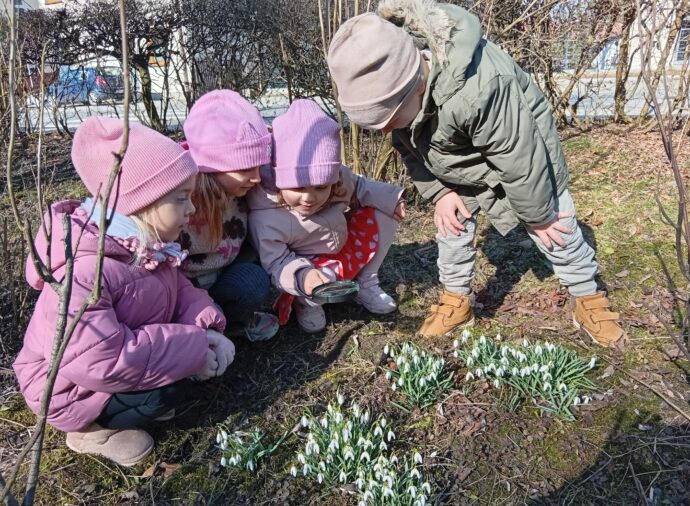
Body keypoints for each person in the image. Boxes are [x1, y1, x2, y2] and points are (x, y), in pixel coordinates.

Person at [326, 0, 626, 347]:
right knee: (451, 227)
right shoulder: (402, 104)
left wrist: (538, 215)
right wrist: (440, 193)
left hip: (527, 156)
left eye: (389, 122)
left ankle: (587, 296)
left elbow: (519, 156)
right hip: (457, 161)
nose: (386, 131)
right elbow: (410, 150)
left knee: (556, 226)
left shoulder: (481, 86)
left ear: (417, 85)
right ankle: (457, 299)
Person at [13, 117, 235, 467]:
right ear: (140, 203)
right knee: (169, 389)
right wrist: (193, 347)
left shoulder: (144, 247)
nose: (192, 209)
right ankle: (89, 432)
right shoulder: (85, 273)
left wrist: (206, 326)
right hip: (70, 390)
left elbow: (180, 290)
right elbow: (102, 361)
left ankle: (134, 402)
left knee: (176, 378)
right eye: (181, 199)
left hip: (111, 367)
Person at [247, 99, 405, 333]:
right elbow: (277, 262)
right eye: (298, 188)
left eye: (321, 187)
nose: (309, 197)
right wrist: (303, 276)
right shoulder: (265, 215)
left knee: (383, 210)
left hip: (340, 250)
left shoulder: (337, 180)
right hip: (307, 268)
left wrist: (392, 199)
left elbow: (359, 186)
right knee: (319, 287)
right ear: (280, 181)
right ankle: (307, 302)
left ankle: (366, 282)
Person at [180, 90, 279, 342]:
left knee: (253, 281)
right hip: (181, 291)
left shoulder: (243, 191)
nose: (256, 177)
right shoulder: (180, 199)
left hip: (222, 280)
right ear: (213, 166)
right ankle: (195, 333)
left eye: (258, 166)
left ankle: (229, 324)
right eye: (245, 168)